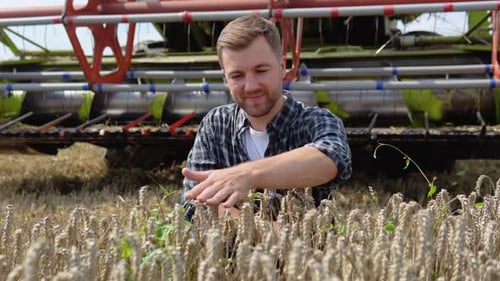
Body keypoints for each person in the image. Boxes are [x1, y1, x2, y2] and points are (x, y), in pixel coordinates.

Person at [181, 14, 351, 220]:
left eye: (261, 70)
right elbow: (197, 204)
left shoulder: (315, 121)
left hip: (308, 252)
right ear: (224, 77)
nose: (251, 86)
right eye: (237, 76)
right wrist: (271, 234)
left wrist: (247, 175)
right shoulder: (215, 125)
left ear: (282, 66)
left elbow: (331, 159)